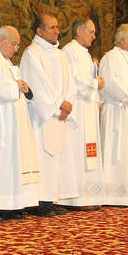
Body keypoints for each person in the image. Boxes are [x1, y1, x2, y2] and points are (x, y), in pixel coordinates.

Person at [0, 26, 39, 221]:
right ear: (2, 40)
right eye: (14, 44)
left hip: (9, 120)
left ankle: (9, 205)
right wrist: (15, 86)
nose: (16, 48)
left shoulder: (5, 61)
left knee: (9, 164)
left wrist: (22, 87)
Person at [19, 13, 78, 216]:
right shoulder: (32, 54)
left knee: (57, 158)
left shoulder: (60, 54)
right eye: (52, 27)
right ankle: (38, 201)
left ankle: (50, 199)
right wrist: (59, 104)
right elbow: (38, 84)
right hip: (41, 116)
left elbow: (70, 83)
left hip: (60, 114)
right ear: (39, 30)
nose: (57, 31)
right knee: (41, 156)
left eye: (57, 27)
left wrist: (68, 102)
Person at [57, 18, 104, 210]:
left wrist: (95, 76)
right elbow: (73, 80)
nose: (94, 37)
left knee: (89, 150)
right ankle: (75, 199)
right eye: (91, 32)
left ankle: (89, 196)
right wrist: (95, 83)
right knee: (78, 150)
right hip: (77, 110)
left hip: (88, 109)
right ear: (79, 31)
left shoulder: (84, 54)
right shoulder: (69, 51)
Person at [99, 23, 128, 206]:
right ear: (122, 39)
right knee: (116, 151)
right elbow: (112, 84)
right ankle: (113, 195)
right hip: (116, 113)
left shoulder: (126, 59)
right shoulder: (111, 58)